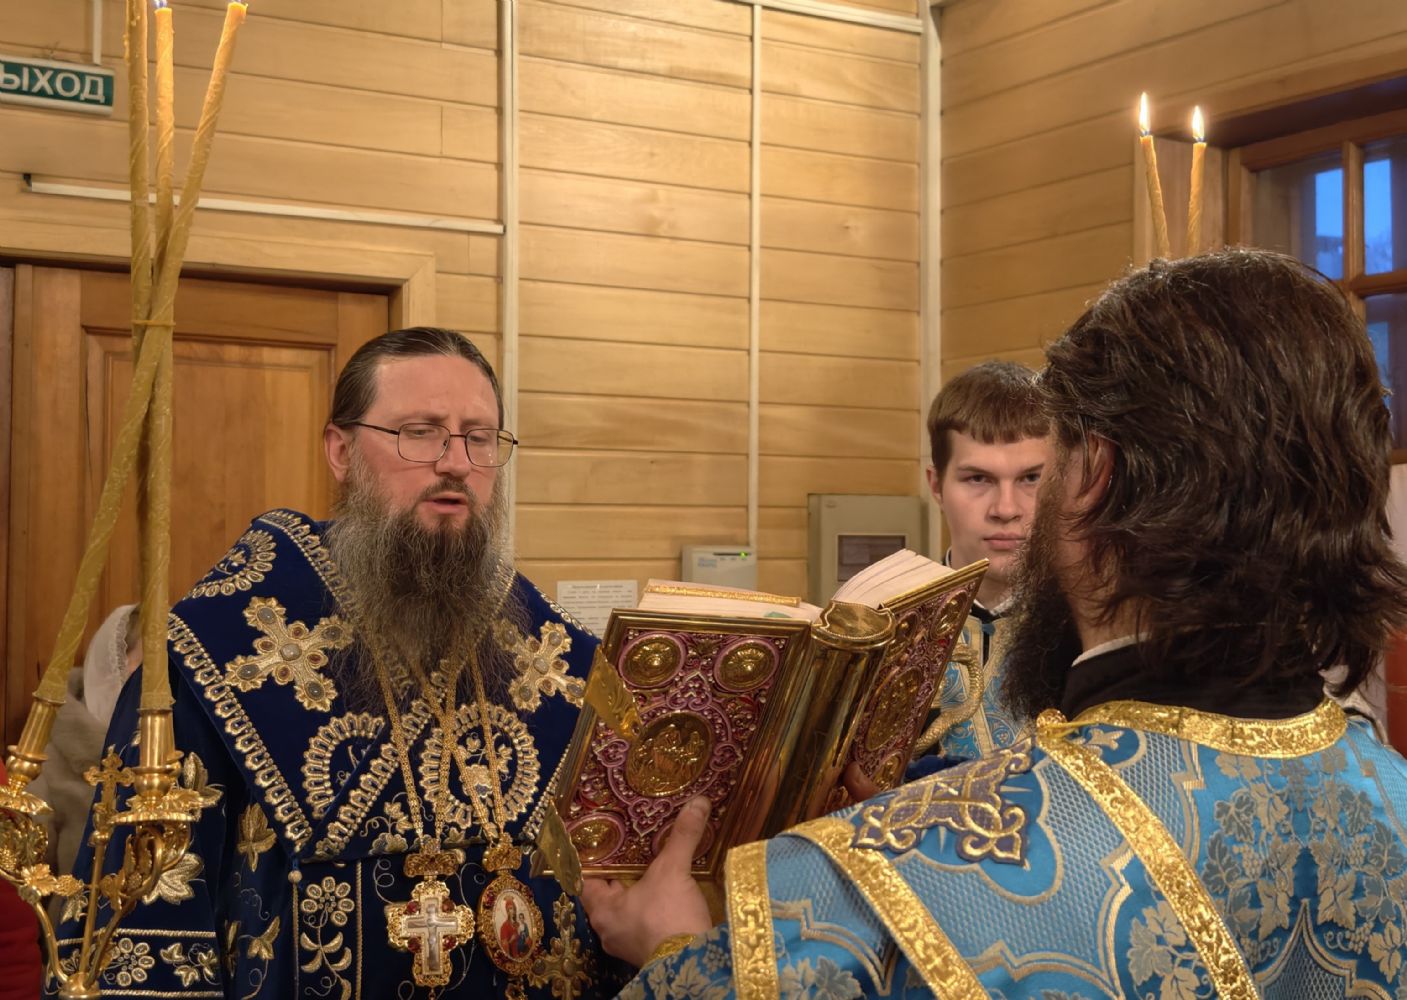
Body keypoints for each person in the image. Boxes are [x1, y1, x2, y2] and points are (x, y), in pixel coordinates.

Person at [583, 250, 1407, 997]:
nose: (1012, 509)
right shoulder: (1391, 789)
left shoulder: (845, 914)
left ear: (1092, 473)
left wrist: (674, 955)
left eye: (1041, 470)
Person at [54, 329, 620, 998]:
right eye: (419, 433)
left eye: (479, 438)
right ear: (341, 451)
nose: (455, 463)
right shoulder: (214, 649)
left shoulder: (558, 657)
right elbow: (145, 931)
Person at [914, 361, 1050, 762]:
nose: (1006, 509)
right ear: (937, 486)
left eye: (1031, 479)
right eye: (978, 479)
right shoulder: (886, 634)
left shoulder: (1089, 633)